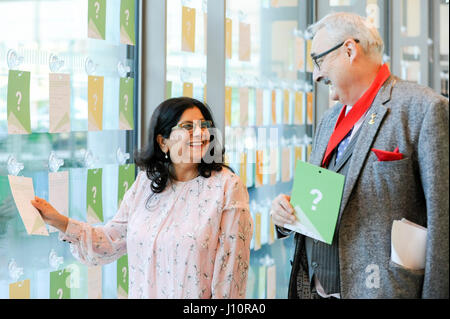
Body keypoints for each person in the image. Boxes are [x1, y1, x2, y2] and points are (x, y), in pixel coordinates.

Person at [270, 12, 449, 299]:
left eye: (318, 60)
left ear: (349, 50)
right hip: (314, 291)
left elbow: (444, 220)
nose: (316, 74)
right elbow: (324, 201)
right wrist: (287, 214)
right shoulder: (329, 120)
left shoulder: (424, 109)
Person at [32, 97, 253, 299]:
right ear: (163, 141)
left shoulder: (227, 187)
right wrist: (58, 221)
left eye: (204, 126)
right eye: (188, 127)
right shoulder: (146, 184)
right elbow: (110, 241)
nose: (201, 133)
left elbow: (231, 280)